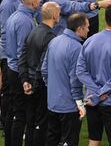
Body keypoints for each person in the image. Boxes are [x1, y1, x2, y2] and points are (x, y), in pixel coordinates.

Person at [76, 4, 111, 146]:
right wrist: (100, 93)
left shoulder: (89, 41)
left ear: (105, 18)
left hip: (92, 101)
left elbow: (80, 71)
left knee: (94, 141)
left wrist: (95, 93)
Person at [41, 13, 89, 146]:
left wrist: (52, 88)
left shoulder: (54, 41)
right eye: (87, 27)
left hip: (52, 103)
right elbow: (76, 79)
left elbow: (44, 69)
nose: (88, 30)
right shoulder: (76, 48)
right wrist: (79, 102)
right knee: (69, 141)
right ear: (79, 29)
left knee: (52, 139)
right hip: (69, 107)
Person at [17, 2, 60, 146]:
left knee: (30, 122)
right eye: (58, 12)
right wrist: (35, 86)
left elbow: (22, 57)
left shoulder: (33, 31)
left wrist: (24, 81)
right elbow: (43, 67)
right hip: (39, 86)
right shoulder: (50, 37)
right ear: (54, 15)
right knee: (41, 123)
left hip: (29, 83)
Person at [5, 0, 42, 146]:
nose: (41, 3)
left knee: (16, 112)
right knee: (22, 115)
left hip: (11, 68)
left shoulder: (15, 16)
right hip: (19, 72)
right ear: (33, 3)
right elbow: (23, 53)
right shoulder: (25, 21)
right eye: (40, 1)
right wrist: (25, 78)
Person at [0, 0, 31, 145]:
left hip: (12, 61)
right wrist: (8, 61)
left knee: (14, 108)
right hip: (12, 63)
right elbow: (6, 36)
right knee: (17, 110)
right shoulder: (9, 4)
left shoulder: (16, 2)